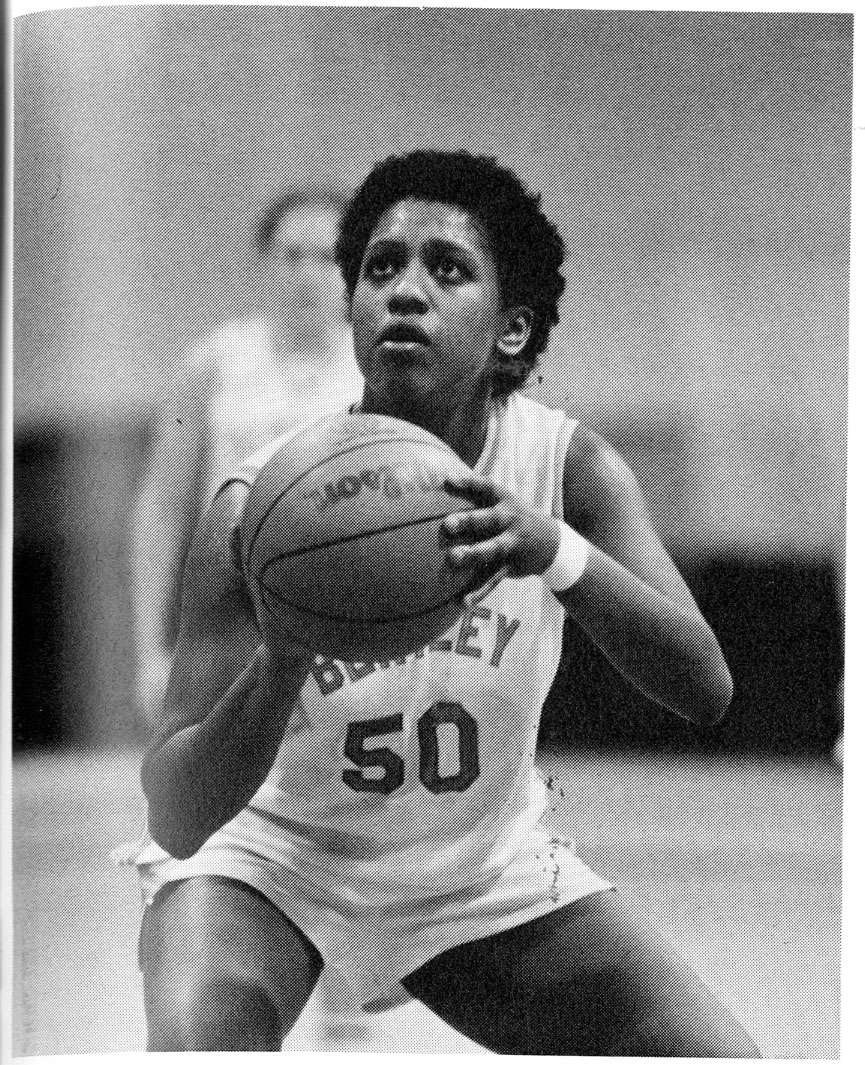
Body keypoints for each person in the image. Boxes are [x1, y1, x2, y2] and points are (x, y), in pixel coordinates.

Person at [128, 150, 761, 1055]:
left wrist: (554, 550)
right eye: (381, 267)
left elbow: (705, 687)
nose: (405, 291)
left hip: (474, 874)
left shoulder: (565, 470)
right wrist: (282, 665)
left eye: (447, 268)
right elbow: (176, 815)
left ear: (510, 329)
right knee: (199, 1042)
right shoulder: (258, 506)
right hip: (270, 861)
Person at [131, 187, 363, 718]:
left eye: (326, 257)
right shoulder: (218, 359)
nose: (307, 273)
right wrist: (149, 651)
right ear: (264, 265)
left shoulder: (371, 364)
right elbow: (162, 505)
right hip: (229, 600)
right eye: (291, 255)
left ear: (354, 270)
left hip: (341, 601)